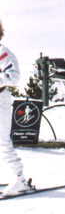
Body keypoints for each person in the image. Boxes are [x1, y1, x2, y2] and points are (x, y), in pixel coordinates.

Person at [0, 21, 31, 195]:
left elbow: (13, 76)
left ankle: (20, 180)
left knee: (2, 142)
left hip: (0, 100)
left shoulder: (2, 51)